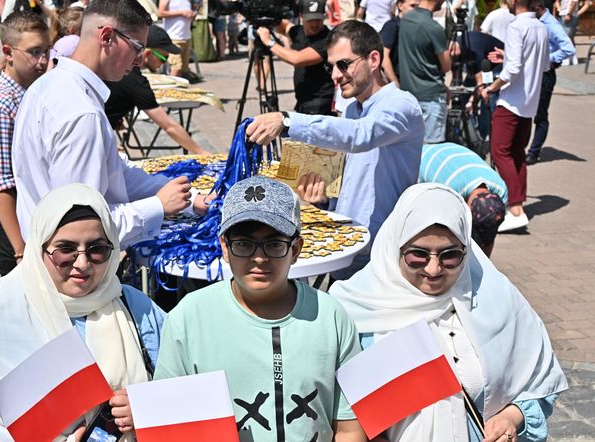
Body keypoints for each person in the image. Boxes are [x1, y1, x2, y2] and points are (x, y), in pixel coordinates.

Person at [329, 183, 568, 442]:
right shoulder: (355, 312)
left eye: (450, 256)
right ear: (395, 247)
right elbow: (341, 418)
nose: (433, 269)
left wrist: (510, 418)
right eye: (417, 255)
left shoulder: (497, 300)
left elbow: (538, 385)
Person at [0, 183, 166, 439]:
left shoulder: (134, 306)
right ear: (40, 249)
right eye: (65, 250)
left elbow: (181, 388)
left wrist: (147, 408)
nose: (82, 264)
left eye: (97, 249)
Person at [153, 175, 367, 442]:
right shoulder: (188, 318)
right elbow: (170, 425)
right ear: (224, 247)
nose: (259, 257)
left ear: (296, 248)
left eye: (274, 244)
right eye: (243, 243)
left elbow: (350, 426)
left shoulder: (330, 316)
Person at [11, 0, 205, 249]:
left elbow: (114, 173)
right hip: (70, 272)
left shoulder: (49, 85)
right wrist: (157, 206)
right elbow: (81, 224)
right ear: (106, 37)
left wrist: (188, 199)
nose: (139, 60)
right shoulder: (81, 112)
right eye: (137, 48)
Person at [247, 20, 424, 279]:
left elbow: (361, 136)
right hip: (346, 243)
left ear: (374, 59)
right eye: (331, 67)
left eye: (344, 64)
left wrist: (287, 121)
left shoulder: (401, 105)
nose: (335, 75)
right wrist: (323, 198)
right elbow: (350, 176)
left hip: (379, 255)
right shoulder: (353, 108)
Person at [0, 11, 50, 275]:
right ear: (8, 52)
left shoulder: (30, 92)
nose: (43, 61)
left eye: (46, 50)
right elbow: (0, 184)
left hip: (33, 216)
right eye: (34, 52)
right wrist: (20, 249)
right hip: (12, 228)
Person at [482, 0, 549, 232]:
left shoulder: (516, 26)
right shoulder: (541, 26)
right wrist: (508, 56)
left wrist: (491, 88)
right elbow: (542, 65)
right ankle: (518, 205)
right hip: (529, 102)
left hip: (511, 101)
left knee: (500, 152)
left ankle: (516, 208)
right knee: (517, 153)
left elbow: (512, 70)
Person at [104, 25, 210, 155]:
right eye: (163, 58)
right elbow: (169, 126)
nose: (164, 63)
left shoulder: (116, 65)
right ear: (148, 54)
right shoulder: (135, 81)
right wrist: (201, 152)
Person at [418, 143, 507, 256]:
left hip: (454, 153)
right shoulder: (449, 192)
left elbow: (489, 237)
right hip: (423, 158)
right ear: (467, 207)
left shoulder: (501, 191)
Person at [256, 0, 335, 115]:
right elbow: (285, 27)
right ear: (301, 17)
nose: (314, 24)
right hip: (302, 103)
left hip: (319, 105)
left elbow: (296, 59)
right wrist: (271, 17)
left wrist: (269, 42)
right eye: (310, 20)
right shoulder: (300, 32)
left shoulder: (327, 40)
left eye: (318, 19)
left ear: (324, 17)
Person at [526, 0, 575, 165]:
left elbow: (568, 48)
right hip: (533, 72)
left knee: (540, 115)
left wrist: (549, 59)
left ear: (538, 7)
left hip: (545, 74)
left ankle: (534, 152)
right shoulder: (537, 22)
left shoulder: (551, 24)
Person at [397, 0, 451, 143]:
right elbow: (446, 66)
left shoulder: (405, 20)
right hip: (431, 96)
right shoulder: (433, 28)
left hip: (409, 95)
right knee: (432, 149)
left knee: (410, 149)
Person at [379, 0, 420, 86]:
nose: (416, 10)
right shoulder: (392, 26)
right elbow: (384, 57)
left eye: (417, 6)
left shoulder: (415, 26)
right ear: (400, 5)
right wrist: (396, 84)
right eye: (412, 6)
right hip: (398, 80)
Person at [158, 0, 196, 77]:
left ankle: (178, 87)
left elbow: (191, 10)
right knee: (176, 67)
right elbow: (160, 13)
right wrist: (181, 13)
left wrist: (192, 14)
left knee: (184, 69)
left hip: (186, 36)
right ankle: (170, 87)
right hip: (173, 37)